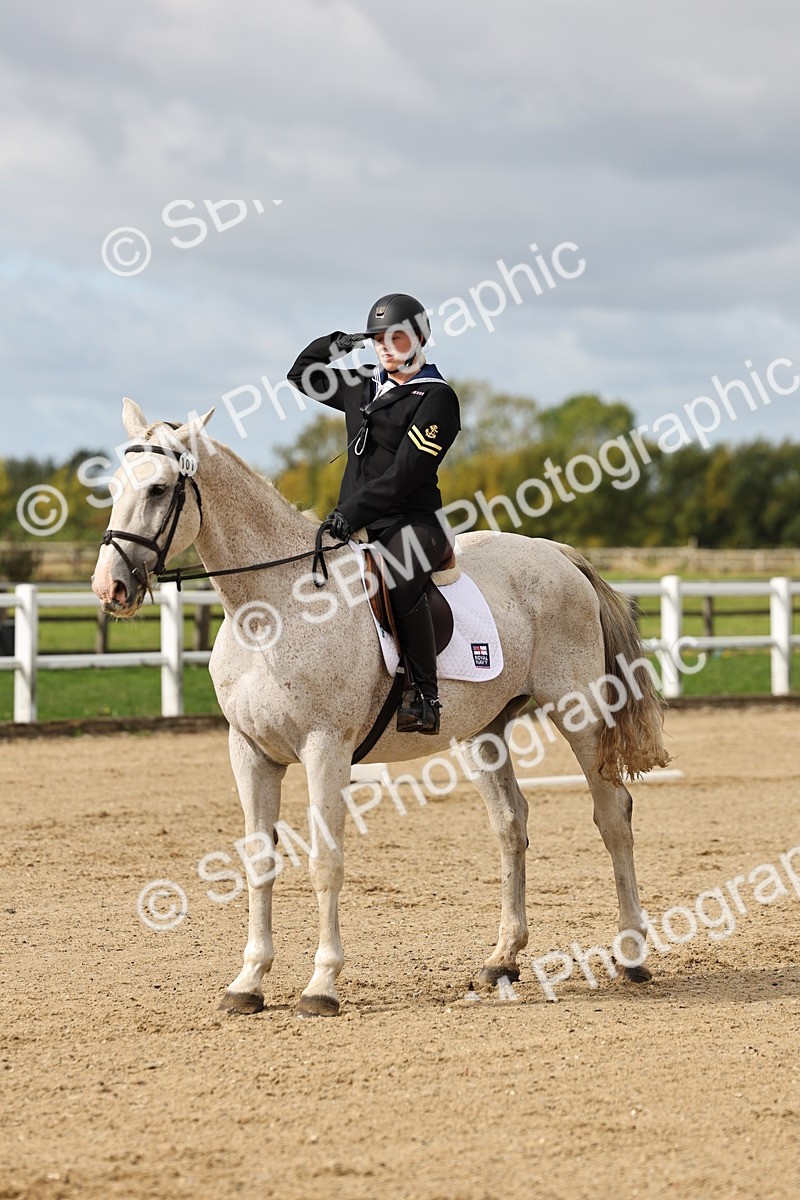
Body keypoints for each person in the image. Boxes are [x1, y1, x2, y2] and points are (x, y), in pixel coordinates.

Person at [287, 292, 461, 735]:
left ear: (421, 340)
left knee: (402, 580)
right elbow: (301, 375)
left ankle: (425, 695)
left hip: (413, 524)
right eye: (379, 339)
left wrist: (349, 511)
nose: (385, 347)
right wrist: (338, 344)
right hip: (357, 521)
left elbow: (405, 474)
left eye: (396, 338)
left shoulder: (436, 398)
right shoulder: (362, 382)